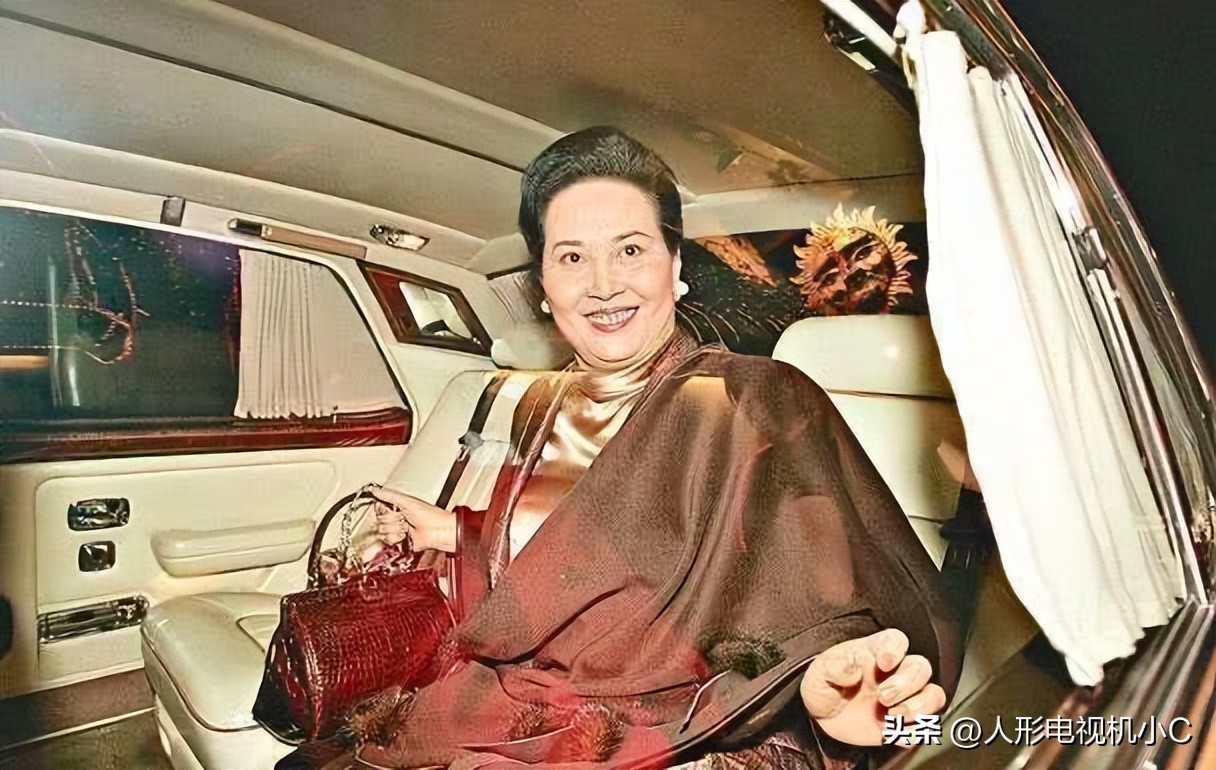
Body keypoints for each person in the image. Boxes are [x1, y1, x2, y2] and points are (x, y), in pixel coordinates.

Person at [285, 127, 959, 770]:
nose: (604, 283)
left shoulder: (752, 398)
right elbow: (569, 564)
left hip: (667, 724)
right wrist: (455, 532)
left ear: (676, 267)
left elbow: (815, 593)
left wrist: (824, 683)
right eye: (572, 257)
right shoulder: (540, 407)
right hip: (511, 703)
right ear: (543, 287)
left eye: (631, 250)